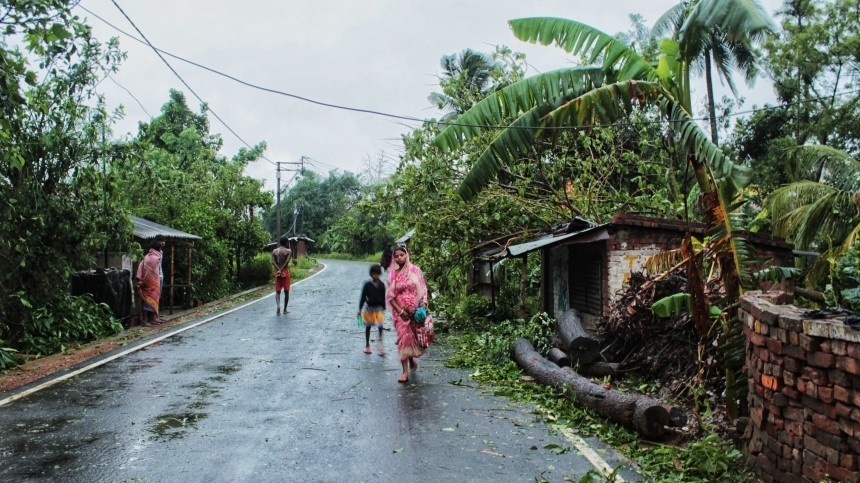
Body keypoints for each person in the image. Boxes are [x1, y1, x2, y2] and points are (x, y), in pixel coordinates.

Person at [385, 245, 432, 383]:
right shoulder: (393, 274)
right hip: (400, 314)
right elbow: (390, 297)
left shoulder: (416, 271)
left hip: (416, 312)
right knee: (403, 340)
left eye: (402, 255)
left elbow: (423, 289)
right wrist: (400, 311)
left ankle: (411, 359)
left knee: (413, 339)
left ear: (407, 255)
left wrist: (423, 303)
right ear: (394, 258)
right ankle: (405, 372)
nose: (399, 258)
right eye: (396, 256)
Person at [357, 264, 386, 355]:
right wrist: (360, 309)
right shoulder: (367, 284)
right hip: (369, 308)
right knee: (368, 327)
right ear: (371, 274)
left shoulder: (382, 285)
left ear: (379, 274)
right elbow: (362, 297)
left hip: (378, 308)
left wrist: (383, 307)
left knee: (380, 327)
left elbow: (383, 297)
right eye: (374, 274)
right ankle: (367, 345)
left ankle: (380, 346)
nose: (375, 275)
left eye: (377, 274)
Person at [136, 240, 163, 327]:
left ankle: (152, 318)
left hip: (154, 282)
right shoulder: (153, 258)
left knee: (153, 300)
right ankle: (145, 320)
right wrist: (146, 280)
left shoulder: (150, 256)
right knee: (148, 301)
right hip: (149, 283)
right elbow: (148, 271)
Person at [272, 236, 294, 315]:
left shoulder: (274, 251)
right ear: (286, 243)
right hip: (285, 271)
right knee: (286, 291)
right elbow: (287, 261)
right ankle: (284, 309)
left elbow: (273, 262)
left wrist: (278, 269)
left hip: (277, 272)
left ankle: (278, 305)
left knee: (277, 291)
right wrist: (282, 269)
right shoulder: (288, 251)